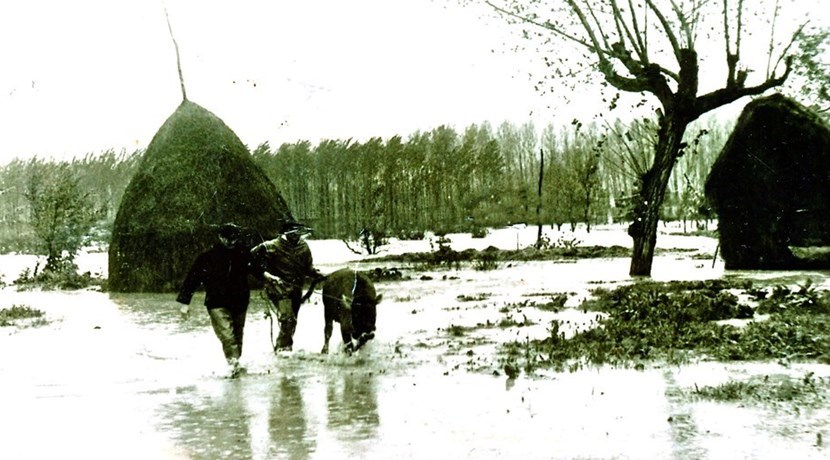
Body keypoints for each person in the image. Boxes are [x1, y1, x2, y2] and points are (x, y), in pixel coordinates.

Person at [176, 223, 262, 378]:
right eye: (228, 238)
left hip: (240, 301)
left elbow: (257, 270)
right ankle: (234, 365)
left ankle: (235, 367)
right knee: (227, 336)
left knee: (237, 336)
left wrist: (271, 279)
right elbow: (192, 279)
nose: (232, 242)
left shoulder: (243, 253)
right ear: (220, 237)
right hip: (217, 302)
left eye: (235, 238)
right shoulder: (207, 257)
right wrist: (185, 303)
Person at [251, 220, 320, 352]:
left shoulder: (304, 247)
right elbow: (251, 260)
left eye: (298, 232)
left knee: (292, 321)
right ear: (286, 233)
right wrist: (267, 276)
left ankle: (285, 348)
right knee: (288, 319)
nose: (296, 235)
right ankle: (282, 349)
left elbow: (308, 268)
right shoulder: (271, 246)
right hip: (278, 288)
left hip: (297, 289)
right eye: (293, 232)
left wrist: (317, 274)